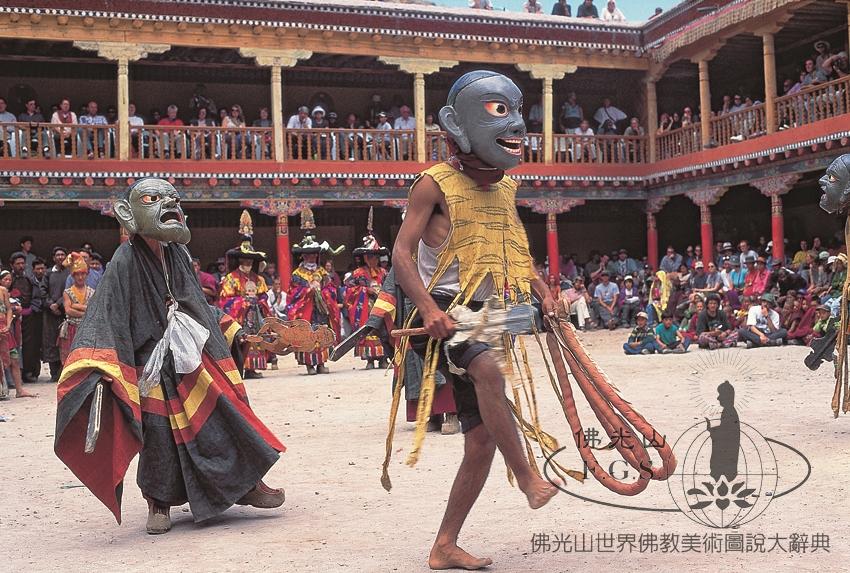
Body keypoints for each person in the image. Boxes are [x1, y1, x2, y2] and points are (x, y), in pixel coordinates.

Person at [391, 71, 560, 571]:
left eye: (517, 111)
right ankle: (527, 477)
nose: (516, 125)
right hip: (446, 308)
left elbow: (513, 248)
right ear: (457, 124)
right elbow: (402, 255)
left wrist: (545, 292)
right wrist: (427, 309)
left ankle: (444, 545)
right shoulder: (432, 183)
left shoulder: (506, 188)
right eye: (497, 111)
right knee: (487, 371)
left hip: (490, 311)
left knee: (480, 438)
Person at [54, 179, 285, 536]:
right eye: (153, 199)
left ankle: (244, 484)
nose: (168, 205)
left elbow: (197, 306)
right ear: (130, 214)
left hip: (188, 352)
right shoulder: (123, 262)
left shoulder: (177, 255)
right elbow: (105, 315)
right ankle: (158, 502)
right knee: (159, 432)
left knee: (226, 405)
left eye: (173, 199)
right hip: (149, 362)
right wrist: (100, 365)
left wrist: (236, 331)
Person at [285, 208, 343, 375]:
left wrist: (323, 292)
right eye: (308, 255)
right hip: (306, 311)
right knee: (307, 335)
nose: (311, 258)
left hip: (320, 310)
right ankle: (309, 364)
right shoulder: (297, 274)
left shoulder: (322, 272)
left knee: (322, 333)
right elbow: (293, 294)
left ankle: (322, 363)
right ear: (302, 256)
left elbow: (332, 288)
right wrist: (308, 292)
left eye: (313, 255)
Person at [219, 211, 271, 379]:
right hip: (240, 317)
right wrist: (242, 303)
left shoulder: (258, 279)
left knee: (255, 340)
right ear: (240, 261)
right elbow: (225, 300)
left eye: (250, 262)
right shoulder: (231, 279)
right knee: (240, 339)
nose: (247, 264)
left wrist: (259, 302)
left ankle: (252, 369)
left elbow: (264, 296)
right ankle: (240, 368)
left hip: (255, 315)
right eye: (244, 261)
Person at [344, 209, 391, 370]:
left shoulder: (384, 273)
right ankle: (370, 359)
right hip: (366, 307)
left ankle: (384, 358)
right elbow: (349, 292)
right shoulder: (357, 274)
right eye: (370, 256)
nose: (373, 259)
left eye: (376, 256)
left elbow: (390, 288)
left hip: (382, 306)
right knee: (368, 329)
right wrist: (365, 291)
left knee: (384, 331)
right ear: (364, 257)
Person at [0, 270, 35, 398]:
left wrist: (8, 325)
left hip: (5, 329)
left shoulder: (3, 291)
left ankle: (19, 390)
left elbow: (9, 310)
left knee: (14, 359)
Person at [58, 252, 94, 365]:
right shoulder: (67, 292)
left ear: (87, 275)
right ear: (73, 276)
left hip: (87, 329)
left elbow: (94, 310)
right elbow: (68, 310)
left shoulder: (92, 292)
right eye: (77, 274)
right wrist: (86, 311)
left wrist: (76, 306)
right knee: (70, 359)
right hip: (72, 328)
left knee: (87, 358)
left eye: (83, 274)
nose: (80, 277)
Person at [42, 246, 69, 382]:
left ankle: (64, 373)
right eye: (57, 255)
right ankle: (53, 373)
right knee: (51, 341)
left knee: (64, 342)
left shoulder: (70, 273)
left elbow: (69, 289)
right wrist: (50, 305)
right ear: (53, 258)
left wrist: (58, 304)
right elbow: (43, 291)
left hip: (64, 313)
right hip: (50, 315)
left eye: (62, 254)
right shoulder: (48, 273)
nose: (60, 257)